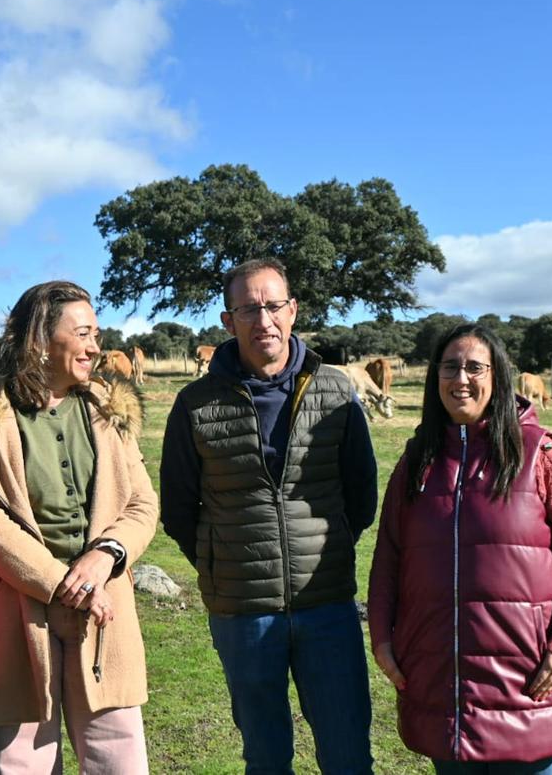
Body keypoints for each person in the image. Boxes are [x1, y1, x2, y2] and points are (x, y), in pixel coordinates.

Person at [160, 258, 378, 774]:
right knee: (266, 756)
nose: (264, 320)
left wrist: (328, 547)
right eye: (249, 309)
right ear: (227, 320)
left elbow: (361, 494)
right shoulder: (195, 404)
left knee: (348, 754)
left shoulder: (335, 391)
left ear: (293, 310)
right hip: (242, 611)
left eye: (274, 306)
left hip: (326, 604)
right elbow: (178, 508)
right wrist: (224, 559)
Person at [368, 324, 552, 775]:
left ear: (497, 377)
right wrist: (382, 638)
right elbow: (389, 557)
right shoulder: (416, 460)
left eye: (475, 367)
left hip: (525, 685)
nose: (461, 379)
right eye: (449, 367)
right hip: (442, 687)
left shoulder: (539, 453)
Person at [0, 281, 157, 774]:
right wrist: (64, 583)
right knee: (25, 760)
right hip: (16, 607)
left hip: (106, 604)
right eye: (82, 333)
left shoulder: (108, 408)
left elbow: (143, 502)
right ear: (40, 340)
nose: (94, 346)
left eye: (96, 333)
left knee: (117, 755)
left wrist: (105, 555)